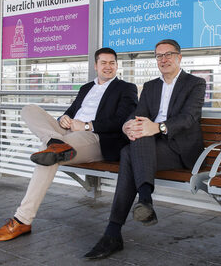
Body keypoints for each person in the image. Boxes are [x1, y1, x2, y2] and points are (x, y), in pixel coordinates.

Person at [0, 47, 138, 242]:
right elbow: (69, 113)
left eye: (112, 63)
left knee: (49, 157)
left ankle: (22, 220)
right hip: (67, 134)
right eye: (104, 63)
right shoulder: (86, 88)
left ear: (116, 66)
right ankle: (55, 143)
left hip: (95, 138)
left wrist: (88, 125)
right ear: (96, 66)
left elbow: (123, 120)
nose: (108, 67)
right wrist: (64, 118)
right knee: (29, 109)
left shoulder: (126, 88)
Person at [84, 39, 206, 260]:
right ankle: (143, 204)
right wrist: (127, 126)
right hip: (151, 146)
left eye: (169, 54)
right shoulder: (151, 86)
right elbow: (137, 114)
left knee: (129, 152)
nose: (164, 59)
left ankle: (116, 229)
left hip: (180, 149)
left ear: (179, 57)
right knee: (135, 141)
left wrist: (157, 127)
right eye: (159, 56)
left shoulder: (195, 83)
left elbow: (189, 118)